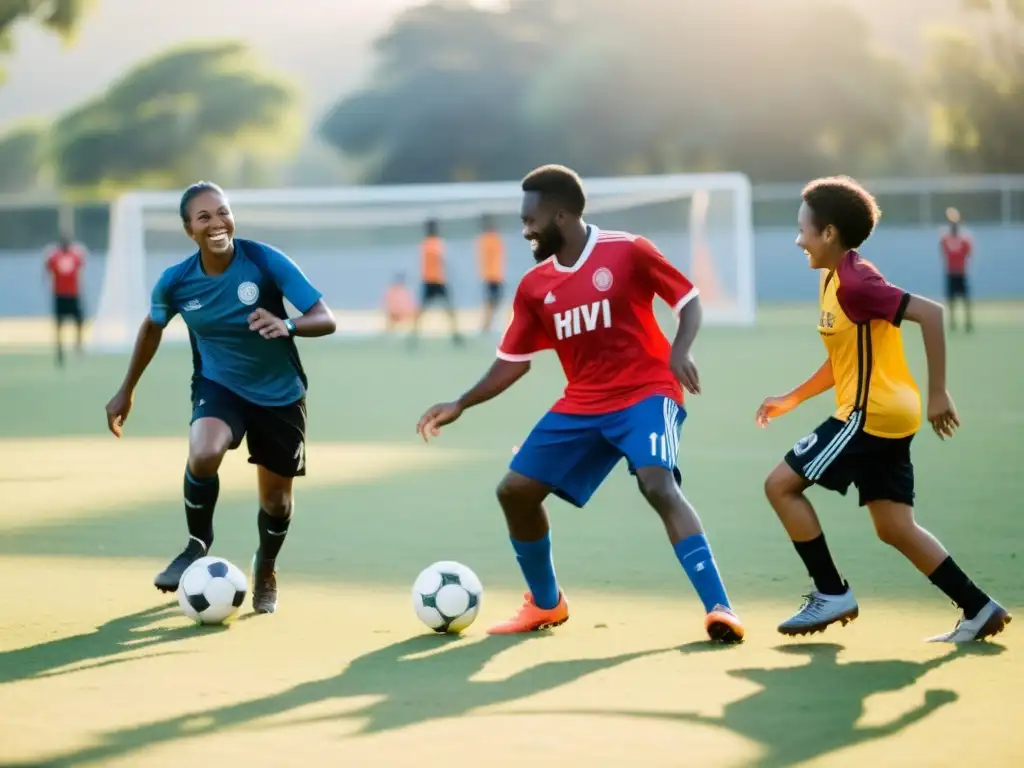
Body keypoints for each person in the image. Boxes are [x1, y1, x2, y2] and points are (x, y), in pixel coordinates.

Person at [415, 165, 744, 643]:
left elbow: (688, 299)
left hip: (647, 392)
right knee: (514, 491)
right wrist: (462, 402)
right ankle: (547, 604)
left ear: (562, 216)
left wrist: (680, 348)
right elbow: (513, 362)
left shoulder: (628, 251)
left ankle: (720, 609)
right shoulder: (534, 287)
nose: (525, 230)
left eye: (531, 220)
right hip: (584, 403)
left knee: (657, 484)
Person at [756, 176, 1009, 643]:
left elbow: (931, 313)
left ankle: (830, 593)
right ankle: (979, 608)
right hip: (883, 414)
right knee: (893, 526)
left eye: (803, 230)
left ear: (828, 233)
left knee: (780, 486)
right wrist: (792, 397)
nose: (798, 240)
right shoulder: (833, 277)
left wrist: (940, 394)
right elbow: (843, 359)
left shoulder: (856, 282)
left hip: (867, 416)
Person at [104, 181, 336, 615]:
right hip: (219, 385)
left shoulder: (264, 261)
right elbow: (153, 328)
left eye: (223, 212)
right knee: (204, 451)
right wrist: (126, 390)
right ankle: (197, 544)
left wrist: (287, 325)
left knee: (277, 502)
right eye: (204, 217)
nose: (217, 223)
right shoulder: (175, 282)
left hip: (279, 394)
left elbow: (325, 318)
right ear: (188, 229)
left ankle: (265, 568)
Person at [410, 218, 462, 344]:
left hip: (432, 281)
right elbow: (441, 260)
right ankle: (414, 335)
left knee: (442, 309)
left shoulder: (425, 244)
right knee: (445, 309)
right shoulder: (435, 244)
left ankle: (455, 334)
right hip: (435, 281)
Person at [44, 232, 87, 366]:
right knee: (59, 324)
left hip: (73, 294)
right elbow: (47, 269)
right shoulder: (54, 256)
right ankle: (60, 350)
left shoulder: (76, 255)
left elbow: (81, 269)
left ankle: (78, 346)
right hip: (60, 294)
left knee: (79, 321)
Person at [940, 207, 973, 332]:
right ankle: (953, 322)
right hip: (951, 273)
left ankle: (968, 322)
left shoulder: (964, 239)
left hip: (961, 273)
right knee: (951, 300)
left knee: (966, 299)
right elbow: (943, 252)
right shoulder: (945, 239)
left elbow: (968, 254)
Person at [477, 214, 505, 333]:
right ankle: (487, 324)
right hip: (491, 276)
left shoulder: (491, 239)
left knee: (494, 300)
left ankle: (489, 323)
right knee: (491, 300)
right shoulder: (487, 239)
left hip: (495, 275)